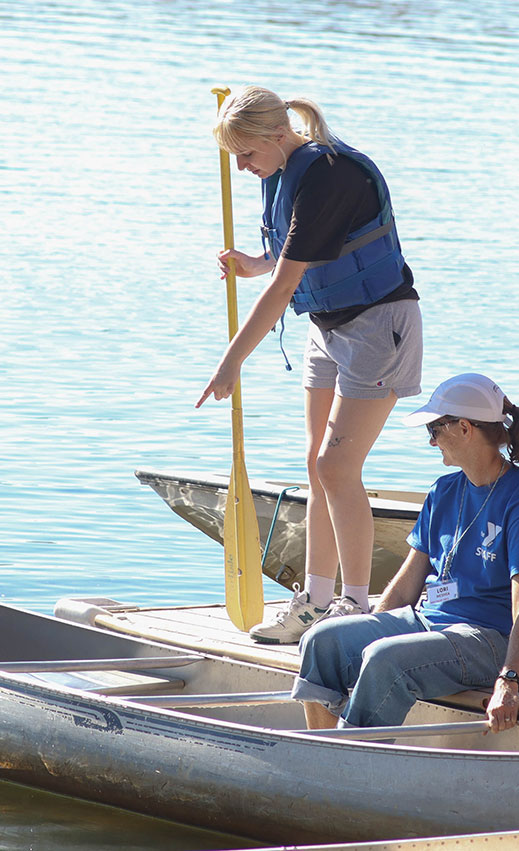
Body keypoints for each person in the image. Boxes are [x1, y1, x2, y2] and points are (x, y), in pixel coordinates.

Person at [196, 86, 423, 644]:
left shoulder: (329, 174)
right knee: (316, 465)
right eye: (236, 160)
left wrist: (231, 364)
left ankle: (355, 606)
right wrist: (252, 263)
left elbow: (285, 286)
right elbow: (293, 252)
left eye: (247, 156)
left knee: (337, 468)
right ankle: (315, 603)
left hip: (379, 327)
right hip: (327, 327)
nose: (245, 168)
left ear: (277, 136)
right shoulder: (284, 172)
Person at [290, 373, 519, 731]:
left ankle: (349, 763)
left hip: (489, 640)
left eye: (434, 430)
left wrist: (508, 681)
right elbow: (404, 588)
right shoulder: (443, 490)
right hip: (429, 622)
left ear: (465, 428)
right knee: (321, 641)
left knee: (385, 660)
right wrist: (370, 627)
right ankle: (325, 752)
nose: (432, 443)